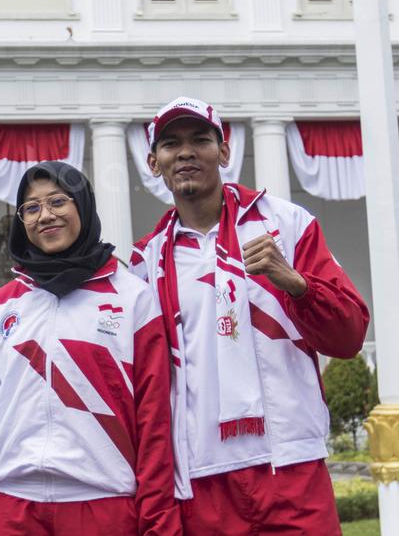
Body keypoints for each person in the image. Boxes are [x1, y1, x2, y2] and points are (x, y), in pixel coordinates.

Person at [130, 97, 371, 535]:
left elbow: (349, 336)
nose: (185, 152)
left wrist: (295, 282)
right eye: (170, 144)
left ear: (224, 152)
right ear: (154, 162)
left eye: (200, 140)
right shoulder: (145, 263)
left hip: (290, 464)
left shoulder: (287, 223)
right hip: (203, 479)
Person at [0, 161, 180, 536]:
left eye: (58, 201)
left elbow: (154, 421)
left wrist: (157, 522)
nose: (46, 215)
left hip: (103, 505)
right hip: (13, 504)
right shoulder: (2, 307)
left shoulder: (133, 298)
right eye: (32, 207)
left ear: (83, 206)